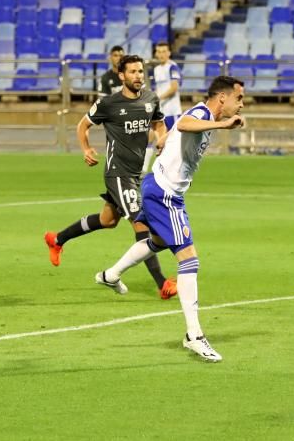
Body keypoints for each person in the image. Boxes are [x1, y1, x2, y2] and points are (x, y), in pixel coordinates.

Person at [95, 75, 247, 362]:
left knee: (158, 240)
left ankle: (111, 274)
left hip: (159, 187)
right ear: (222, 98)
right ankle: (194, 335)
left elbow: (175, 132)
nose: (242, 104)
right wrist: (222, 124)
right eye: (239, 98)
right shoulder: (202, 114)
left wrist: (165, 139)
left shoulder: (203, 116)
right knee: (189, 259)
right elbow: (186, 123)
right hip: (164, 193)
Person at [43, 55, 177, 300]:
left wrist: (161, 139)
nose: (138, 76)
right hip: (118, 173)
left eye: (140, 71)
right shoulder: (108, 104)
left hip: (136, 174)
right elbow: (82, 125)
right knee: (142, 225)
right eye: (133, 72)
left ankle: (57, 239)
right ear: (121, 76)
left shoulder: (151, 99)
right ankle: (162, 283)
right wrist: (86, 149)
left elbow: (159, 125)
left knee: (107, 220)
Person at [151, 41, 182, 131]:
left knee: (174, 140)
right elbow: (157, 89)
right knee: (162, 140)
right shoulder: (156, 69)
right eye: (159, 52)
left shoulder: (173, 67)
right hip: (161, 112)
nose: (161, 55)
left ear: (169, 53)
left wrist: (158, 98)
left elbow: (174, 88)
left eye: (164, 51)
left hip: (173, 111)